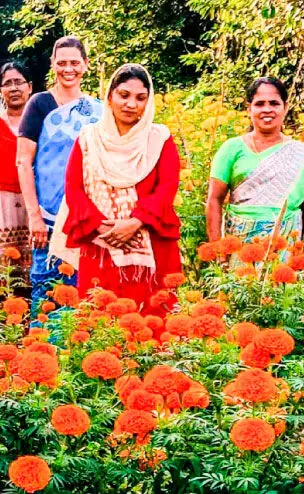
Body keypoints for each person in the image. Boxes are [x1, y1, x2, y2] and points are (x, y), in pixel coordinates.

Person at [49, 63, 182, 314]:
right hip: (100, 243)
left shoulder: (159, 139)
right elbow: (73, 188)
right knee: (101, 322)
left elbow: (166, 188)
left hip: (152, 243)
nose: (131, 104)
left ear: (148, 102)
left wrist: (135, 222)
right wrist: (100, 225)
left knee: (153, 325)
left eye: (140, 98)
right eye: (124, 95)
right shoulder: (89, 139)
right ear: (110, 96)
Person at [17, 37, 103, 312]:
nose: (69, 69)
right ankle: (42, 354)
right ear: (53, 64)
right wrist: (35, 217)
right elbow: (23, 162)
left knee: (87, 297)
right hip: (50, 218)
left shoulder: (98, 110)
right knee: (48, 296)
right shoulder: (40, 104)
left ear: (86, 65)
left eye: (75, 63)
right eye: (62, 62)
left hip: (89, 218)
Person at [207, 77, 304, 247]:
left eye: (274, 103)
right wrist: (218, 253)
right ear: (249, 108)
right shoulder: (231, 149)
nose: (267, 109)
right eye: (260, 104)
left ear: (285, 107)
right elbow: (214, 200)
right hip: (239, 248)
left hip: (287, 248)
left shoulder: (303, 154)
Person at [1, 62, 33, 285]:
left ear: (29, 86)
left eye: (18, 82)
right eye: (7, 83)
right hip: (2, 202)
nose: (13, 88)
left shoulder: (43, 121)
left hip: (34, 201)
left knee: (33, 267)